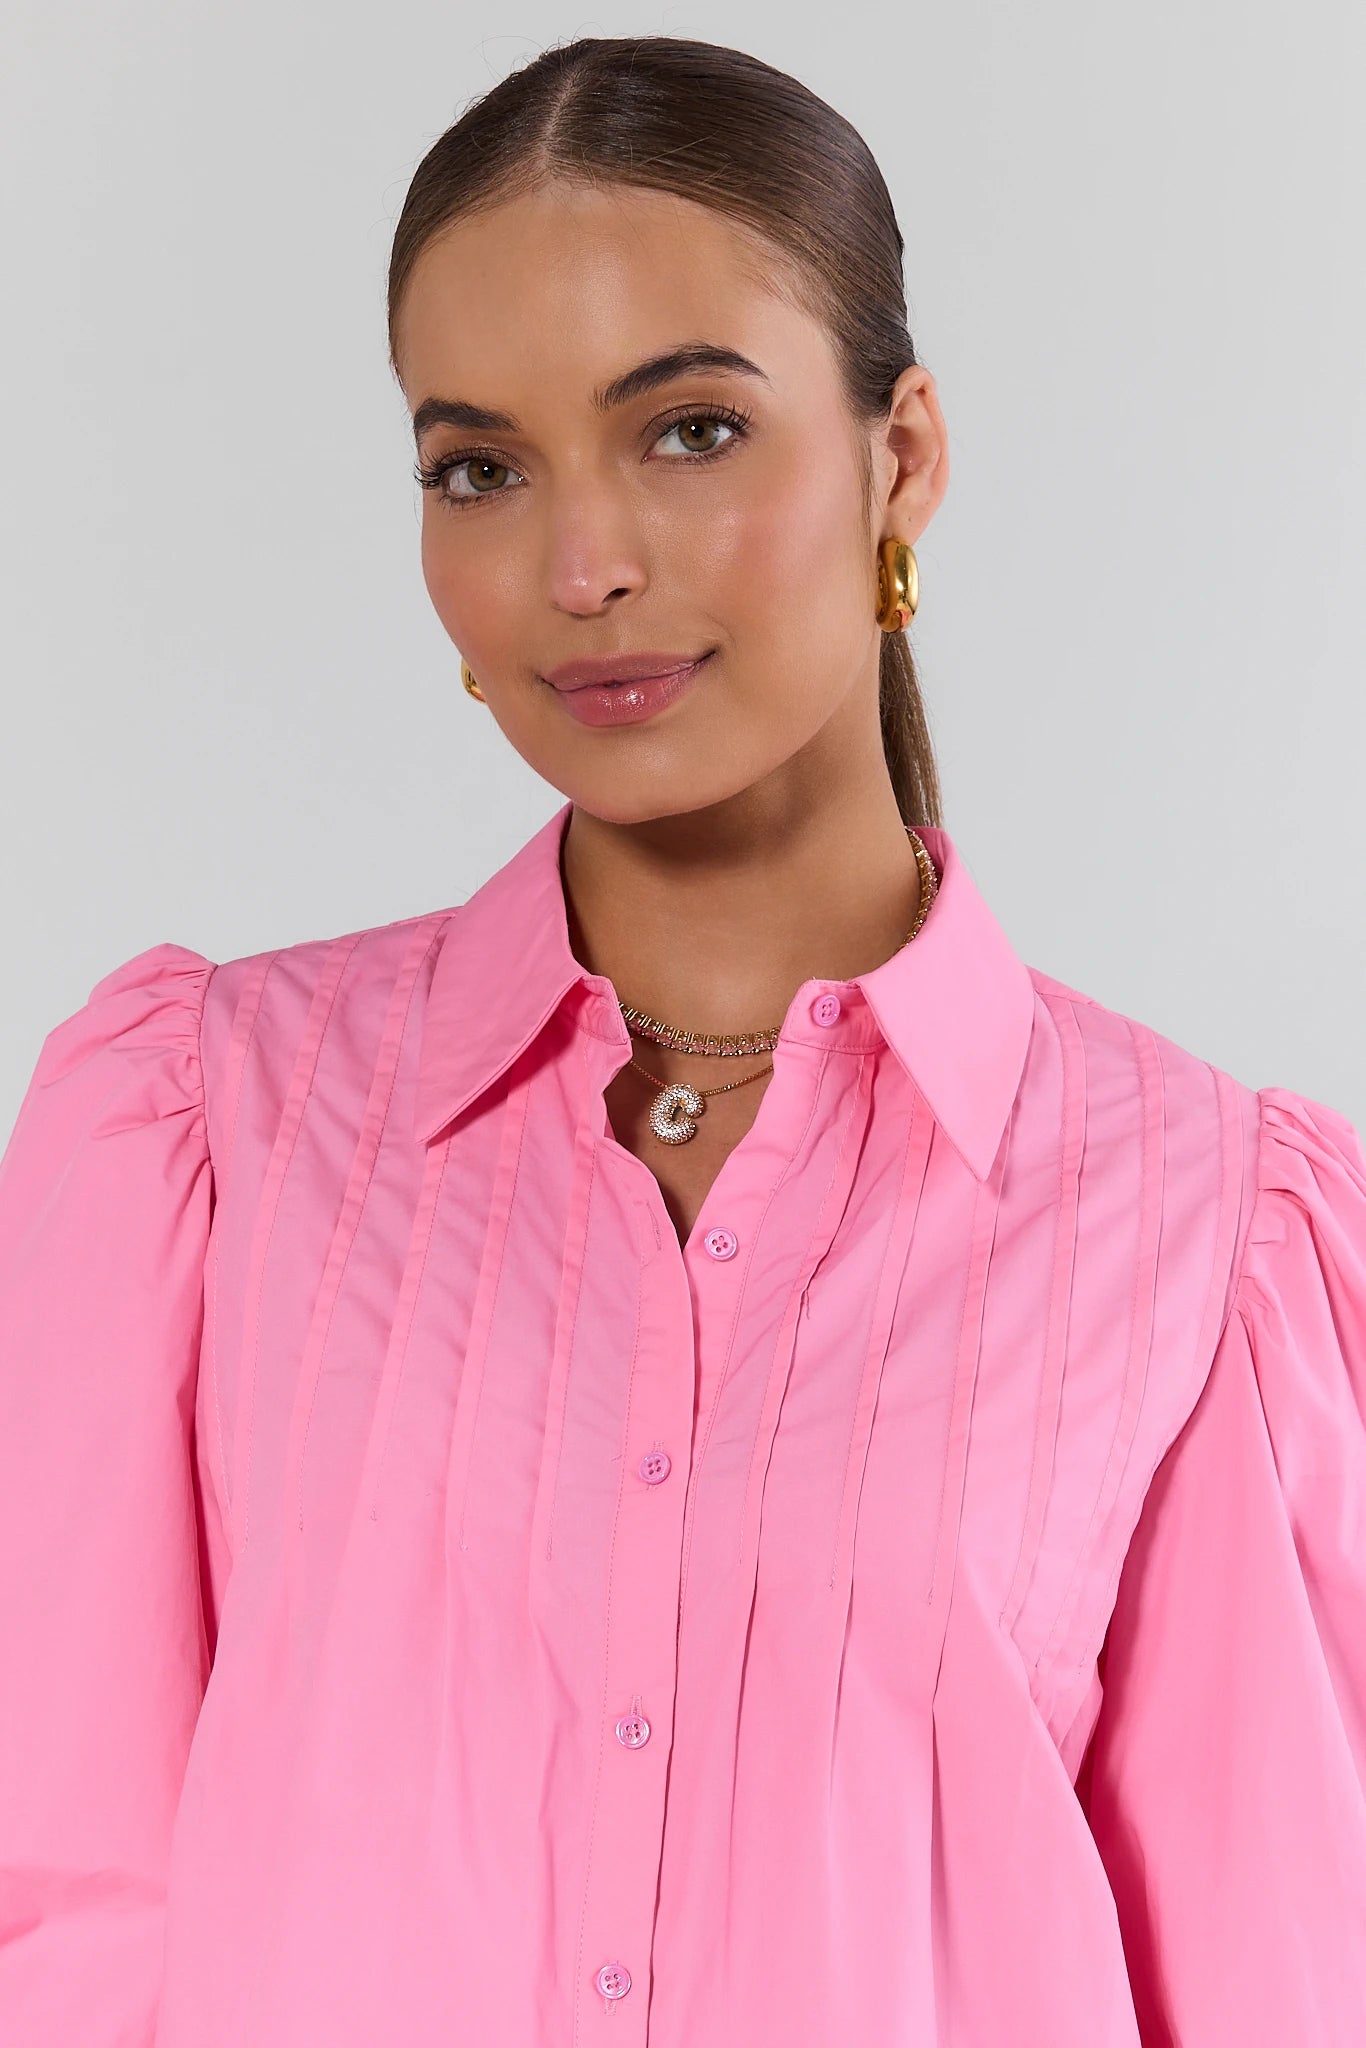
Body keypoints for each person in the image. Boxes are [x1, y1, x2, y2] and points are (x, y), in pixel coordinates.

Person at [1, 32, 1363, 2048]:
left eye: (692, 430)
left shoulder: (1202, 1239)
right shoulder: (203, 1134)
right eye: (478, 465)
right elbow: (57, 1912)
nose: (580, 567)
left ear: (898, 455)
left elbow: (1272, 1987)